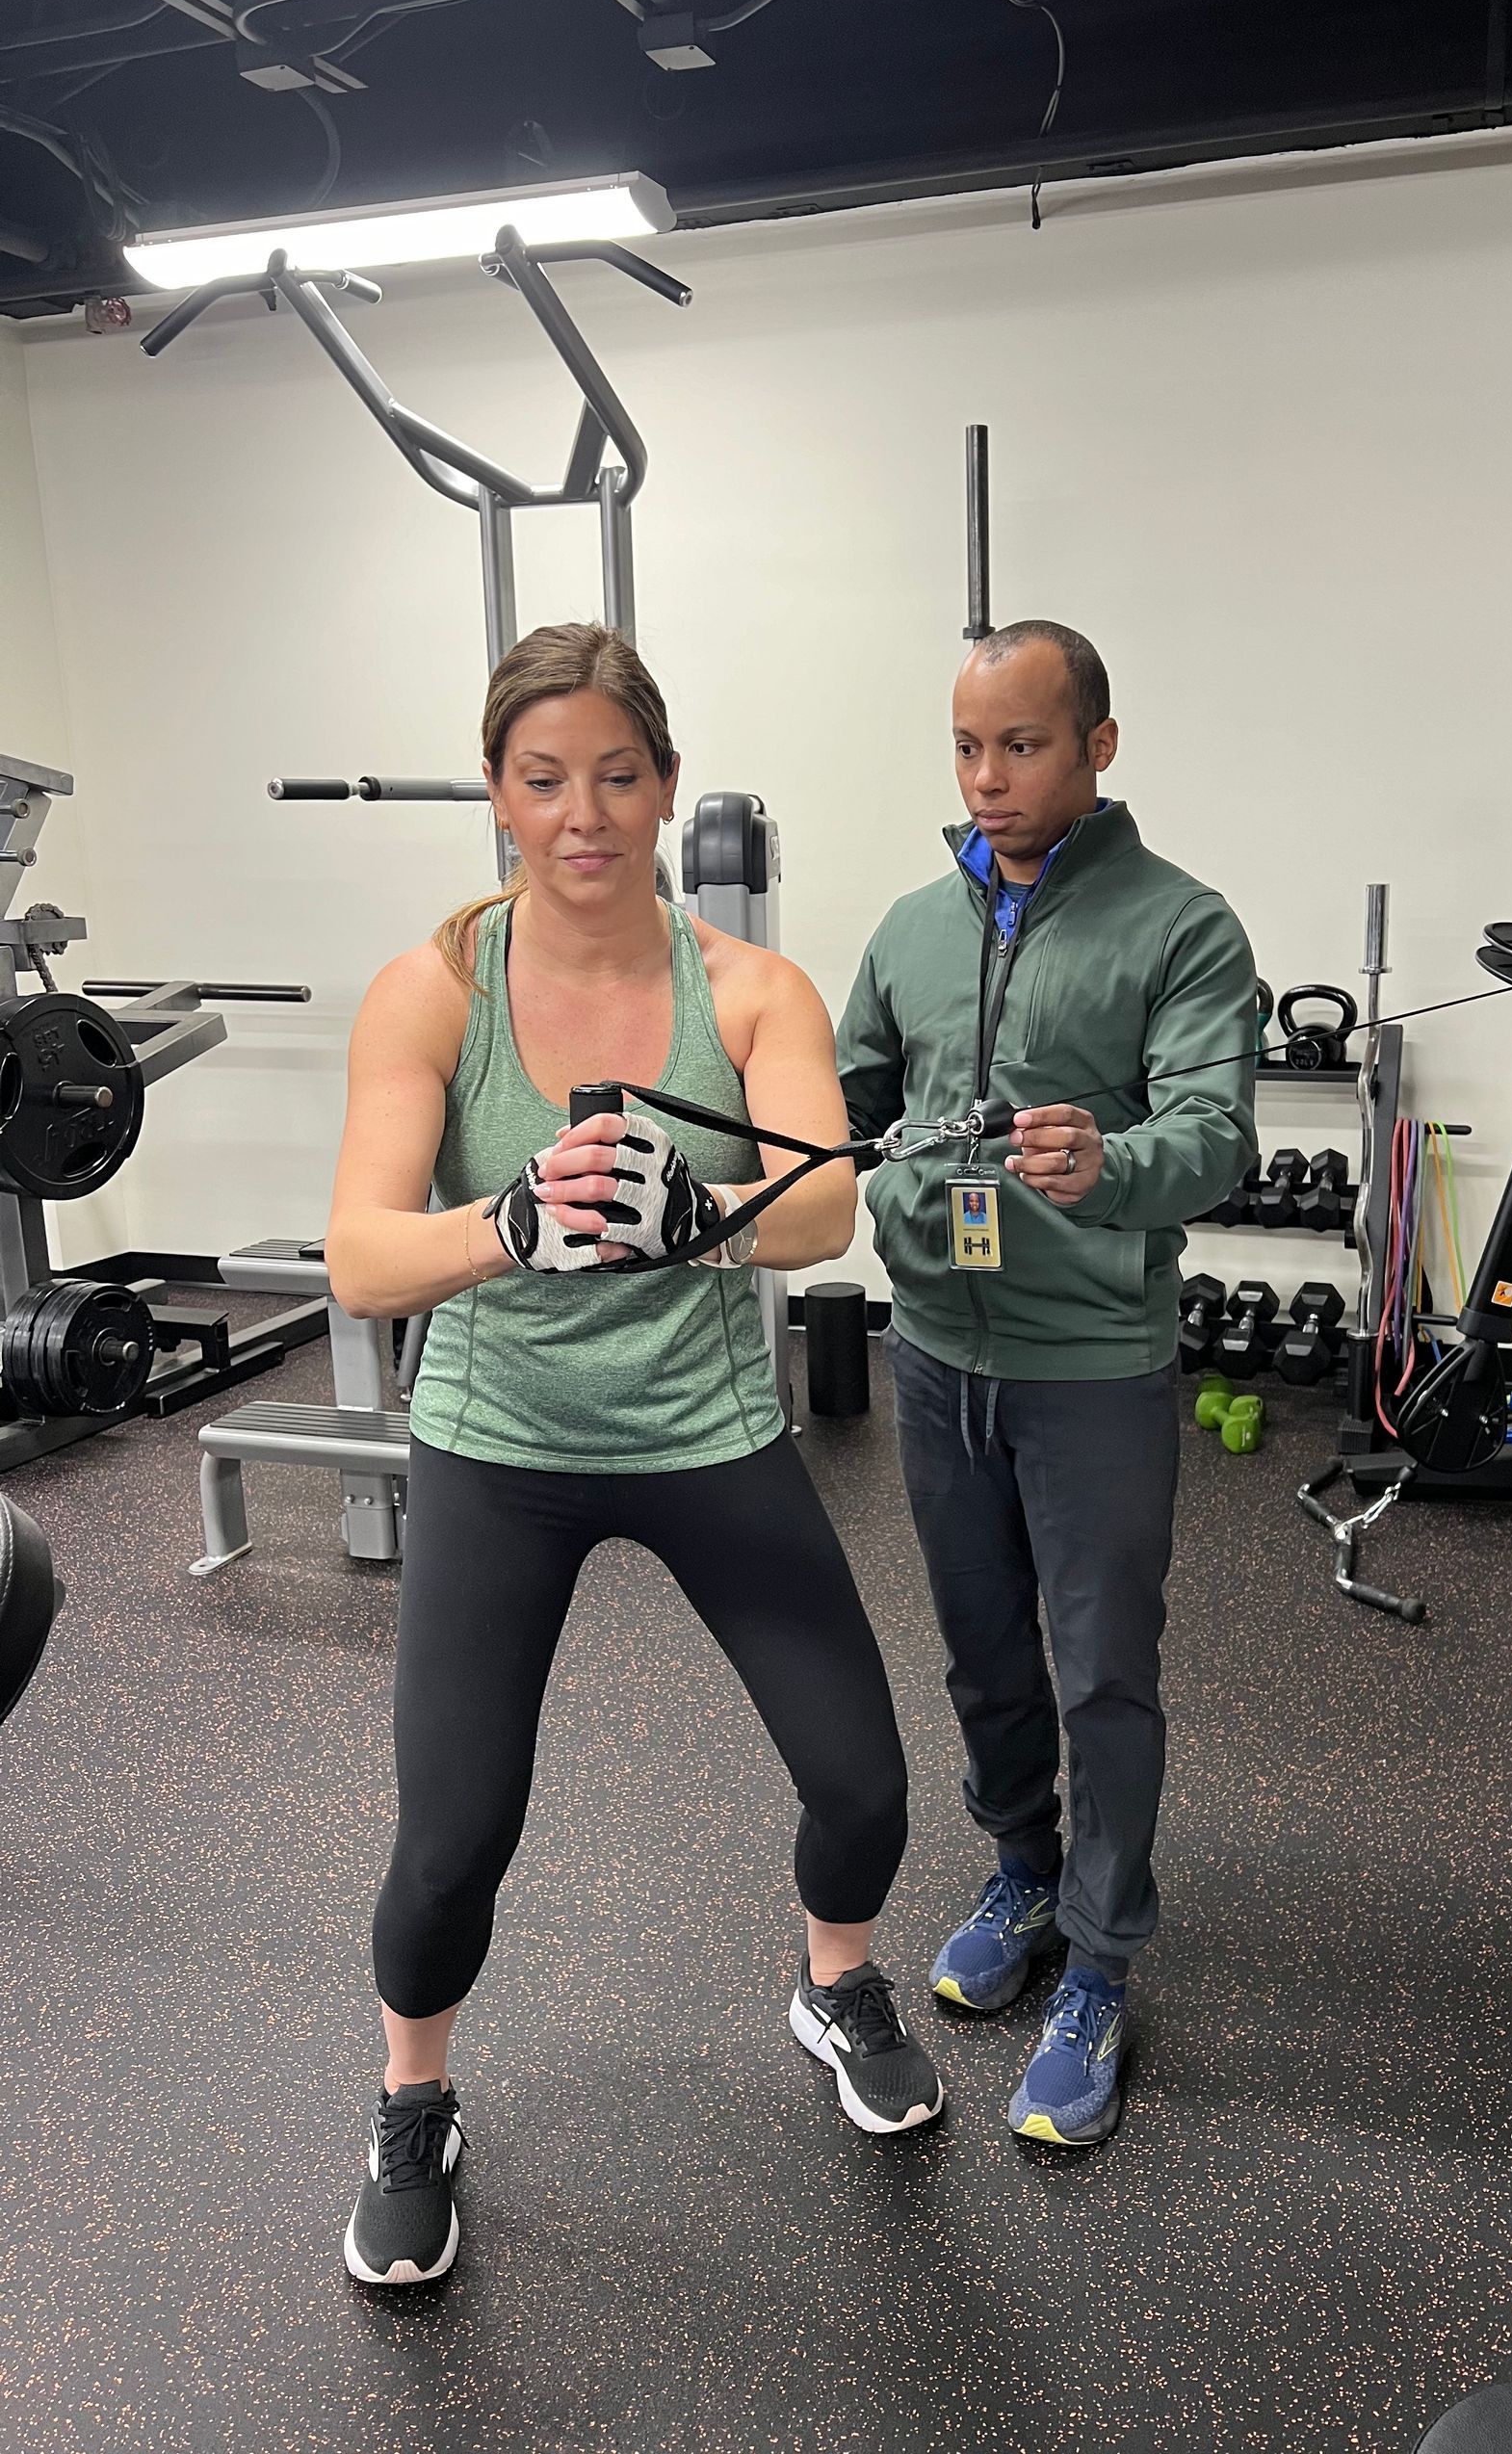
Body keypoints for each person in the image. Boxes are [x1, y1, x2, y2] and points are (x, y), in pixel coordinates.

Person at [326, 623, 943, 2289]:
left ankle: (834, 1985)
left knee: (865, 1783)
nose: (582, 813)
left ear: (665, 787)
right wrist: (504, 1222)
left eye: (616, 775)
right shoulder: (432, 988)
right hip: (496, 1447)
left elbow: (826, 1202)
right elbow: (362, 1260)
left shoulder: (747, 989)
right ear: (500, 794)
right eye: (545, 780)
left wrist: (710, 1212)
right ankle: (413, 2102)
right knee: (455, 1835)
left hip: (702, 1436)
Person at [838, 619, 1257, 2147]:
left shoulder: (1183, 927)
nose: (990, 777)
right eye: (967, 746)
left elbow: (1214, 1136)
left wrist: (1114, 1161)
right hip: (938, 1357)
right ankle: (1020, 1869)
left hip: (1091, 1369)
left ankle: (1100, 1958)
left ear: (1098, 746)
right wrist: (879, 1191)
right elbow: (846, 1100)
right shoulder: (909, 928)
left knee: (1102, 1673)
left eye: (1022, 744)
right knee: (982, 1655)